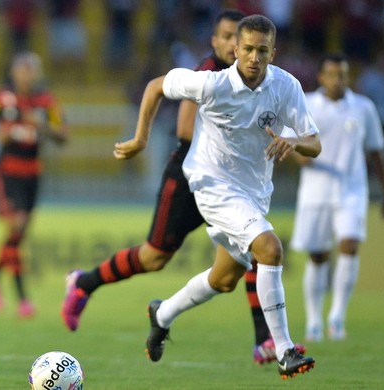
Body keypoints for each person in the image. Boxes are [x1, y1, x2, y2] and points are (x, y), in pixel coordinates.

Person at [62, 9, 303, 364]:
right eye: (227, 38)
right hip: (193, 178)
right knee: (154, 256)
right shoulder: (208, 76)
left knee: (230, 274)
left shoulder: (270, 84)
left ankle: (256, 339)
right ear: (225, 43)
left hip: (239, 185)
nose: (238, 49)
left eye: (257, 48)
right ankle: (85, 283)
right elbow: (185, 132)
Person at [114, 15, 320, 379]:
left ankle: (161, 314)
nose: (254, 57)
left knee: (224, 279)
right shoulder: (211, 84)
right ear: (235, 50)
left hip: (255, 191)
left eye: (263, 50)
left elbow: (315, 143)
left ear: (274, 53)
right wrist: (141, 138)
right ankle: (285, 349)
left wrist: (294, 140)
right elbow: (155, 86)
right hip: (211, 184)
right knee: (270, 249)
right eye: (248, 49)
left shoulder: (286, 87)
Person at [288, 54, 384, 342]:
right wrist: (300, 158)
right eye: (333, 74)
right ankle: (313, 320)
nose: (338, 80)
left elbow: (376, 150)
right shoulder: (306, 103)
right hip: (315, 191)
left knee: (349, 245)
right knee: (319, 256)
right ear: (321, 77)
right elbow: (290, 141)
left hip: (352, 190)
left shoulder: (363, 107)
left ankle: (337, 316)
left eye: (343, 74)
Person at [0, 51, 68, 318]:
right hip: (8, 168)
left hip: (33, 171)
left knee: (18, 235)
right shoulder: (1, 98)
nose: (28, 74)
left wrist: (42, 127)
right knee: (16, 227)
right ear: (14, 72)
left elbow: (63, 135)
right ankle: (22, 297)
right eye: (23, 69)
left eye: (32, 69)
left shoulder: (46, 102)